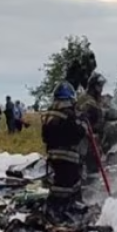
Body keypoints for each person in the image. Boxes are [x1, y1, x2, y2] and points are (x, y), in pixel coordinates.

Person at [40, 82, 88, 220]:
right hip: (68, 155)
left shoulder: (49, 113)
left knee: (59, 182)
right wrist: (83, 123)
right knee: (69, 184)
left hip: (52, 155)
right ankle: (63, 209)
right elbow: (77, 134)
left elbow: (45, 136)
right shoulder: (68, 114)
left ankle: (55, 207)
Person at [76, 73, 117, 176]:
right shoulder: (88, 101)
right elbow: (101, 114)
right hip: (85, 142)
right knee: (91, 169)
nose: (101, 89)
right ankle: (90, 186)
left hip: (89, 141)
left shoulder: (93, 100)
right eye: (99, 86)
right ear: (94, 86)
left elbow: (106, 113)